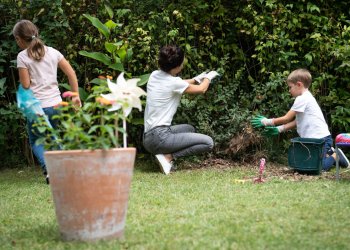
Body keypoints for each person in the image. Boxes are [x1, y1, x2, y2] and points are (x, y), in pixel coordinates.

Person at [13, 20, 81, 183]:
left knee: (37, 141)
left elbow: (26, 85)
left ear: (19, 39)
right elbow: (71, 74)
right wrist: (75, 95)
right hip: (56, 105)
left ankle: (51, 172)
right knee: (53, 137)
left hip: (37, 107)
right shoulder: (53, 52)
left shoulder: (22, 57)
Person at [251, 68, 349, 171]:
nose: (289, 91)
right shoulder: (305, 97)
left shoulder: (303, 98)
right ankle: (328, 153)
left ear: (299, 84)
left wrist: (266, 122)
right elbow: (297, 122)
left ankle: (335, 155)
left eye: (290, 87)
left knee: (320, 168)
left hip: (321, 139)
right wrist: (278, 129)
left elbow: (286, 118)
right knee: (306, 165)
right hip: (311, 140)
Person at [143, 45, 219, 175]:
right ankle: (168, 158)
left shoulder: (154, 75)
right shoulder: (174, 83)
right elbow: (202, 89)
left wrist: (195, 79)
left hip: (148, 137)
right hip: (160, 137)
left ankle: (162, 155)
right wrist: (208, 77)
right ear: (177, 66)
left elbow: (176, 83)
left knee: (189, 129)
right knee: (208, 143)